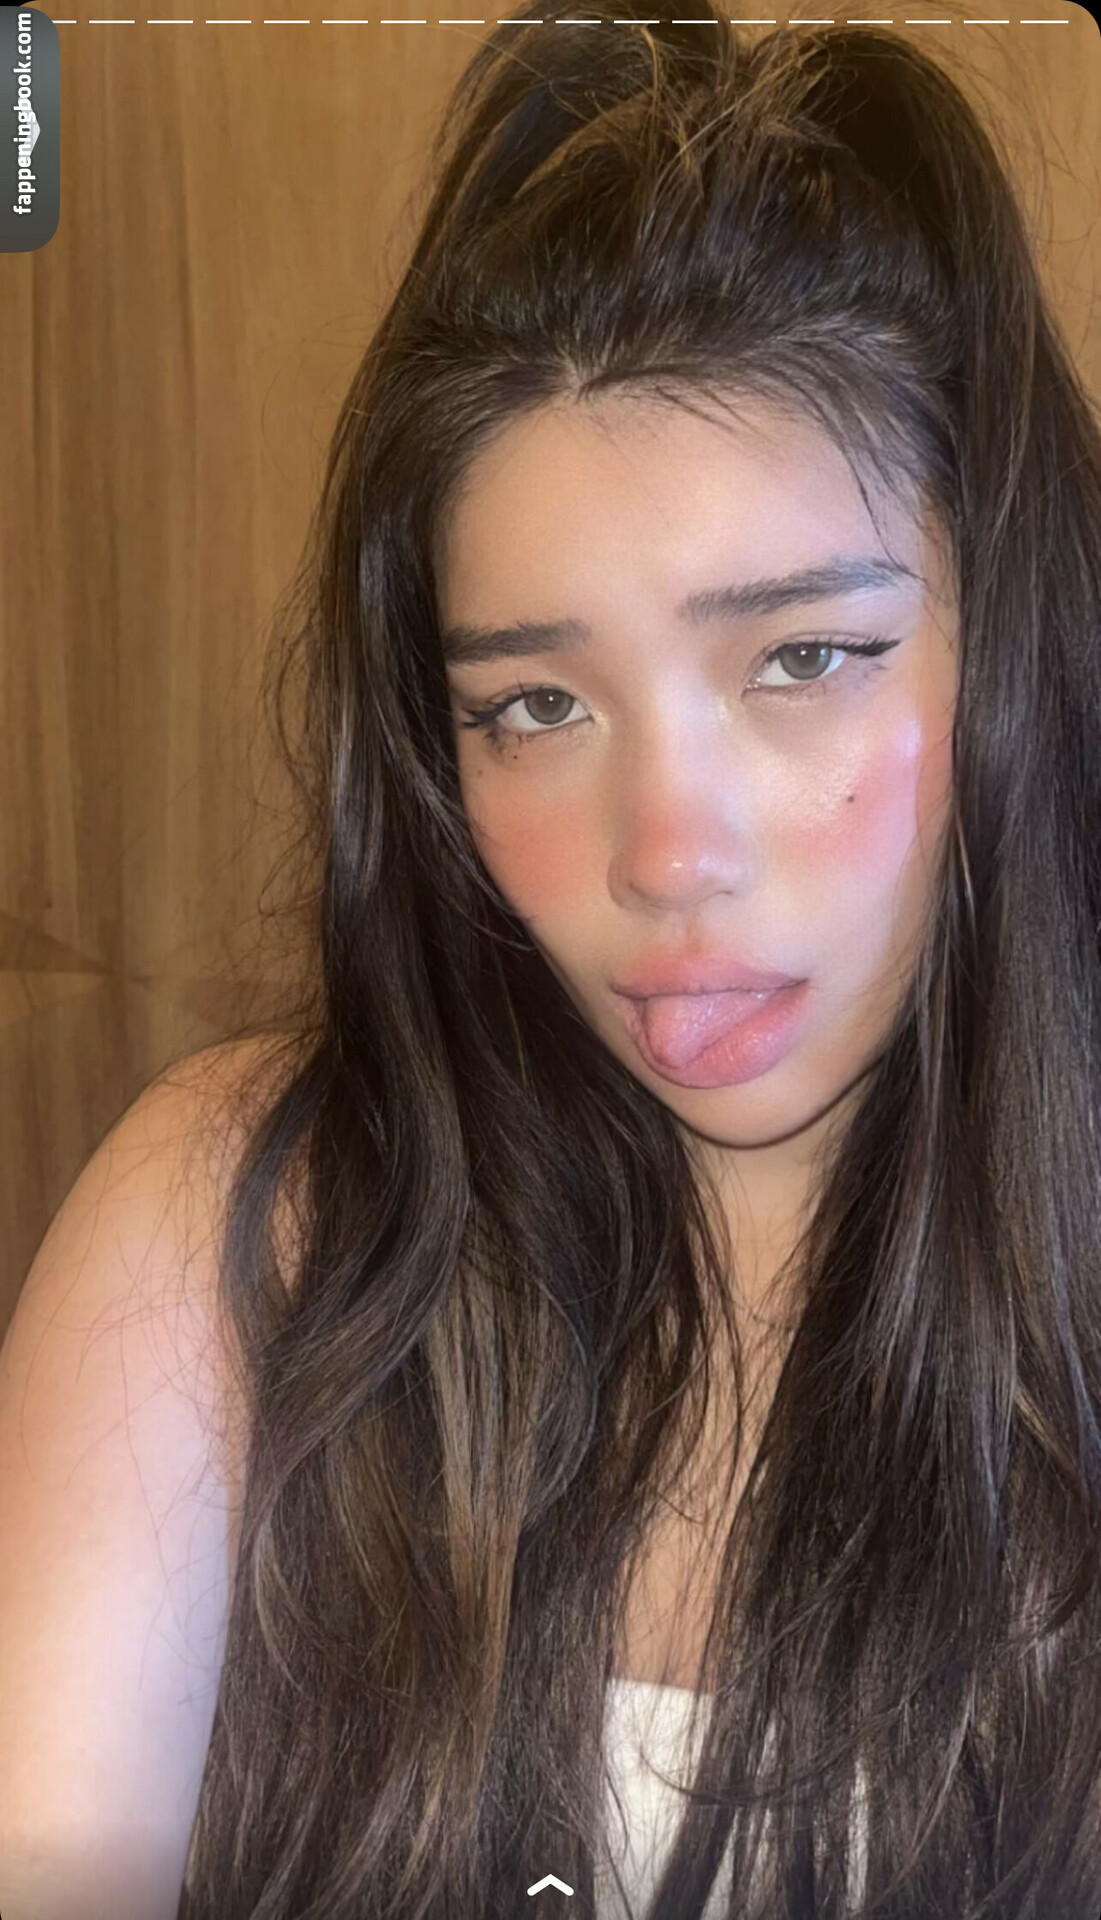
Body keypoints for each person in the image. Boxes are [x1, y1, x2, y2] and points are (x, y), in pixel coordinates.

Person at [3, 6, 1101, 1917]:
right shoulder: (243, 1233)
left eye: (803, 659)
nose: (665, 857)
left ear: (1009, 641)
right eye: (534, 706)